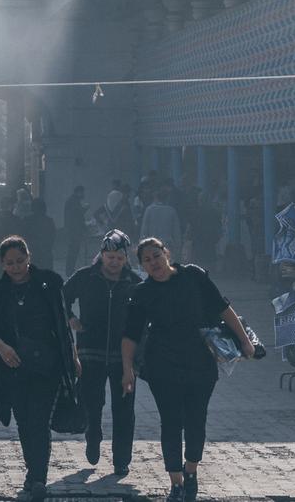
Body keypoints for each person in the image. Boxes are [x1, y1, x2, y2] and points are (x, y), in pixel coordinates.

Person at [122, 237, 265, 502]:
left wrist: (245, 340)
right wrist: (126, 369)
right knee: (171, 421)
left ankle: (191, 470)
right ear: (141, 265)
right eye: (147, 260)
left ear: (167, 253)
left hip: (199, 362)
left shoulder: (193, 276)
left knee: (196, 419)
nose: (154, 263)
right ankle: (176, 481)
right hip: (162, 365)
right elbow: (130, 334)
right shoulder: (142, 293)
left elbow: (223, 308)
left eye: (156, 255)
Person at [0, 236, 78, 502]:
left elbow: (61, 325)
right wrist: (0, 346)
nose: (16, 267)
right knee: (24, 422)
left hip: (47, 366)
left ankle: (38, 478)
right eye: (10, 263)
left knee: (39, 421)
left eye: (21, 261)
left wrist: (72, 356)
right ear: (2, 264)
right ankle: (32, 470)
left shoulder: (48, 283)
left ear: (29, 256)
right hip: (12, 367)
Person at [64, 230, 139, 476]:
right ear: (102, 255)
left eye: (119, 257)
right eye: (110, 257)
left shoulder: (135, 282)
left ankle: (121, 459)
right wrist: (70, 318)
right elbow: (60, 298)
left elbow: (150, 313)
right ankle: (93, 436)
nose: (114, 262)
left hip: (124, 359)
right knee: (91, 403)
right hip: (90, 353)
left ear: (126, 258)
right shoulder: (85, 277)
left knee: (124, 410)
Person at [140, 188, 182, 258]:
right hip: (168, 245)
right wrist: (178, 247)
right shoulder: (171, 211)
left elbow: (144, 229)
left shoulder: (149, 210)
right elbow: (176, 231)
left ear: (155, 197)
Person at [18, 197, 57, 272]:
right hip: (46, 253)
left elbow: (22, 236)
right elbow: (53, 236)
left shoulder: (27, 220)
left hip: (32, 253)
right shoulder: (49, 221)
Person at [61, 186, 89, 274]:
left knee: (73, 250)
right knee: (73, 250)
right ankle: (69, 269)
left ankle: (70, 269)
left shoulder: (72, 200)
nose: (83, 194)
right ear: (79, 192)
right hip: (74, 230)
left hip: (72, 230)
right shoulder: (74, 201)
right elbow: (77, 215)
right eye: (82, 192)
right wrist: (85, 208)